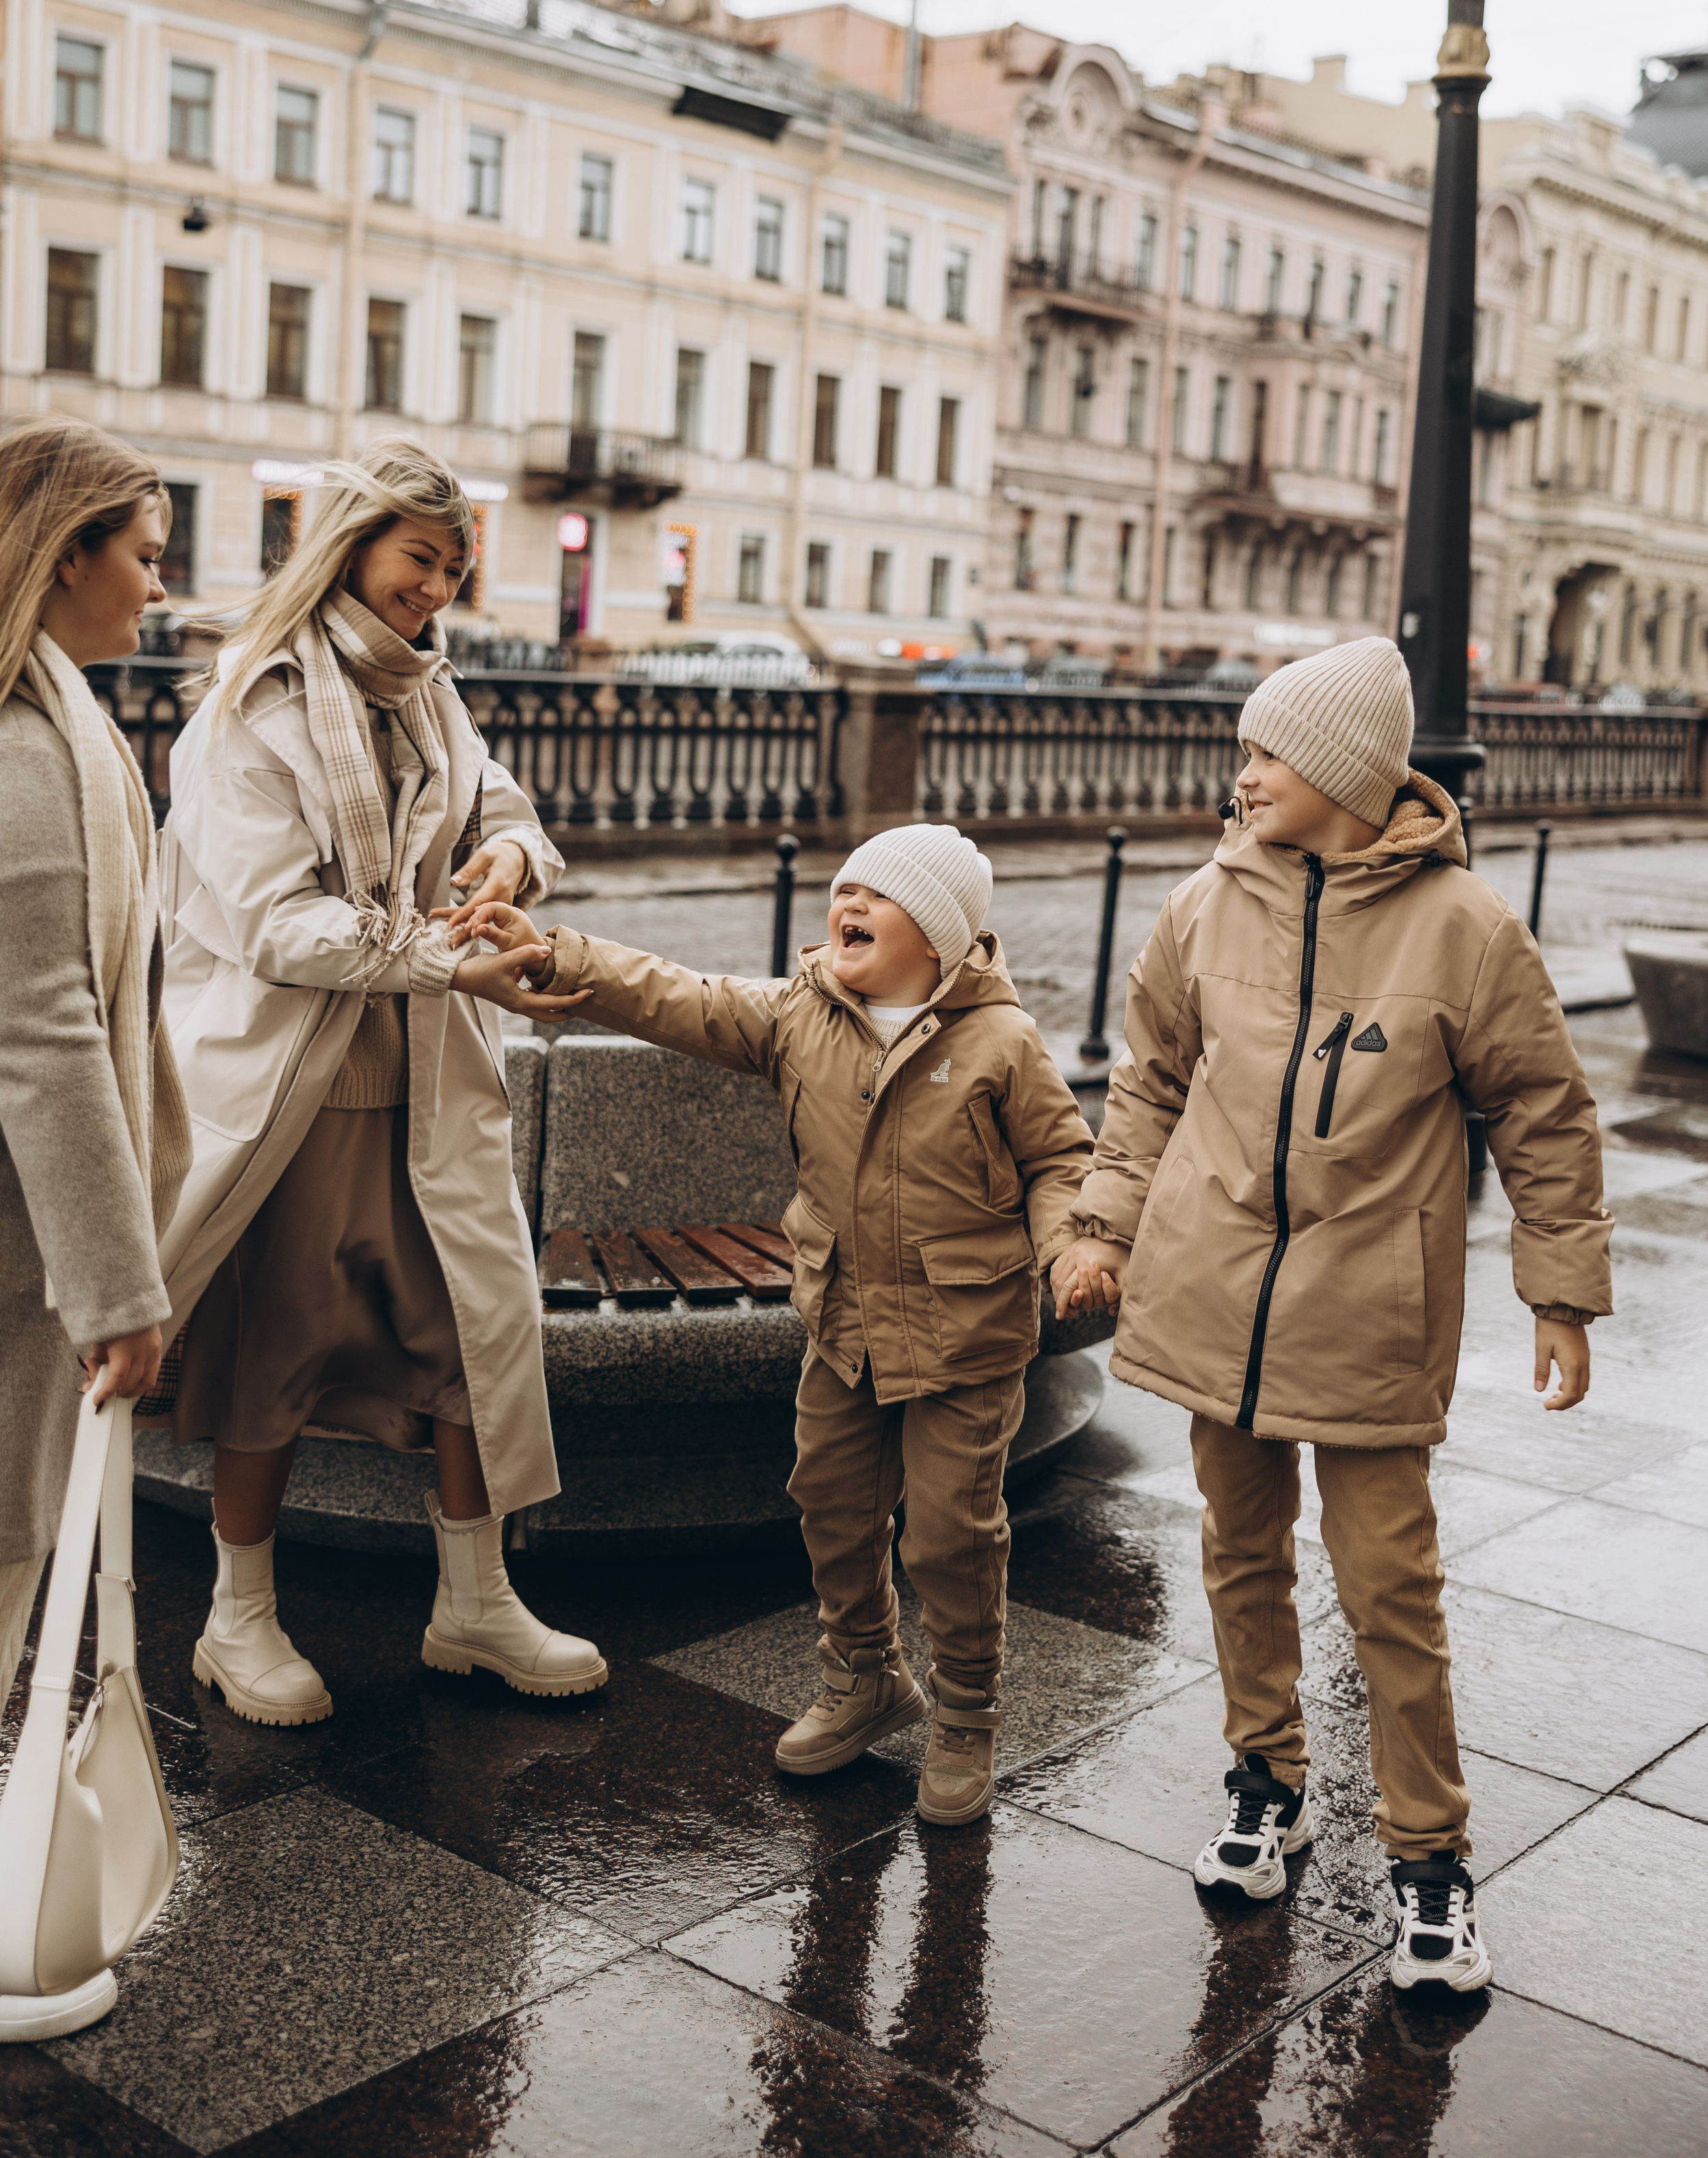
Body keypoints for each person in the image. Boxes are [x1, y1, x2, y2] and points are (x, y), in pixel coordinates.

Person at [1052, 637, 1612, 1992]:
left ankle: (1428, 1860)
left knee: (1388, 1594)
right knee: (1239, 1558)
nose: (1240, 777)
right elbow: (1146, 1085)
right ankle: (1266, 1781)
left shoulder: (1465, 929)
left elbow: (1540, 1110)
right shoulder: (1199, 905)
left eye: (1264, 754)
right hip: (1209, 1291)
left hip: (1368, 1310)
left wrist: (1559, 1289)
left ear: (1343, 772)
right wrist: (1098, 1227)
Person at [459, 823, 1093, 1825]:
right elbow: (686, 998)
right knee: (832, 1505)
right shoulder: (807, 1013)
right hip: (842, 1320)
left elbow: (1063, 1160)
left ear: (934, 935)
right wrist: (559, 951)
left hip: (965, 1338)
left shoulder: (1000, 1042)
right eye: (841, 888)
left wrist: (1073, 1246)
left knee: (950, 1538)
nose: (845, 904)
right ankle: (865, 1676)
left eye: (872, 896)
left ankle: (966, 1717)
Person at [155, 437, 601, 1727]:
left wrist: (513, 858)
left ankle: (474, 1604)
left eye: (456, 569)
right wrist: (445, 964)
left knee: (474, 1331)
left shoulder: (427, 688)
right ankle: (237, 1624)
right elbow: (272, 927)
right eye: (423, 559)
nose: (439, 591)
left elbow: (497, 802)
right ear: (352, 545)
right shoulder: (255, 703)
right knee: (275, 1350)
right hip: (292, 1092)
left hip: (423, 1086)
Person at [0, 423, 189, 1727]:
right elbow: (45, 1026)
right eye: (145, 554)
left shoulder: (62, 720)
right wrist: (118, 1290)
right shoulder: (26, 750)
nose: (160, 587)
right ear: (69, 554)